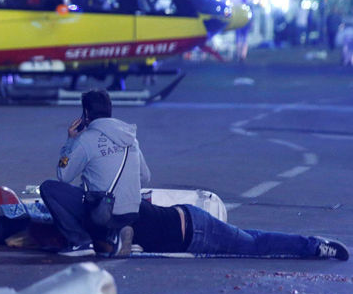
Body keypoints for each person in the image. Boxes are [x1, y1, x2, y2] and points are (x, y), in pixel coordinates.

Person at [39, 89, 150, 257]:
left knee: (49, 188)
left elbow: (63, 175)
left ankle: (80, 241)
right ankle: (114, 235)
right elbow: (145, 177)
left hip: (103, 213)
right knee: (94, 194)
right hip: (131, 213)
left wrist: (70, 141)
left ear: (85, 113)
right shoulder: (131, 139)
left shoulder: (86, 139)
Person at [130, 198, 348, 260]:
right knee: (251, 240)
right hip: (191, 226)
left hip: (197, 231)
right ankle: (311, 245)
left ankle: (315, 246)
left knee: (255, 245)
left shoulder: (115, 211)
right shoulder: (119, 199)